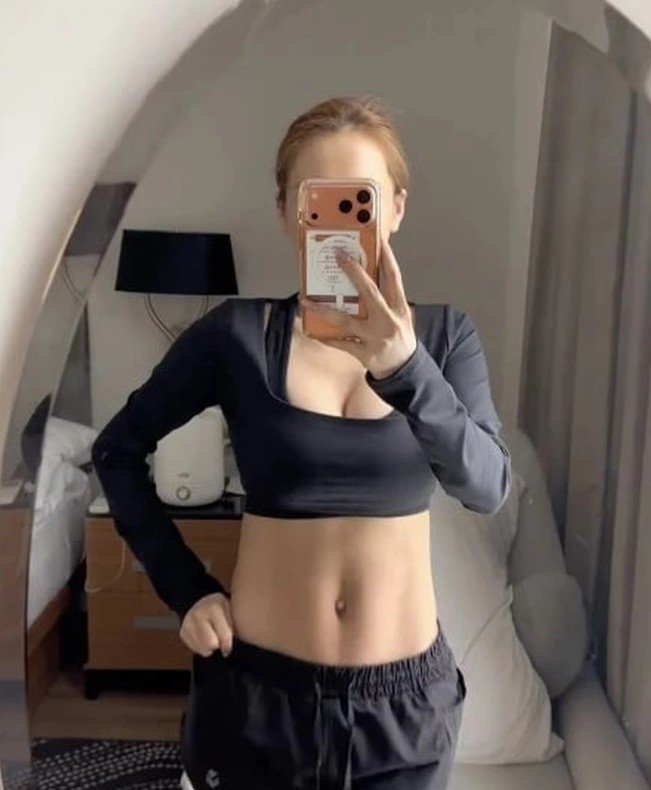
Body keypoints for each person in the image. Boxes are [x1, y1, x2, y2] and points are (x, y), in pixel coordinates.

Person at [92, 94, 512, 790]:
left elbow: (487, 487)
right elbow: (116, 451)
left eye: (360, 201)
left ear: (395, 209)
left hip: (404, 713)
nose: (338, 225)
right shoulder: (235, 336)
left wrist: (403, 367)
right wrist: (186, 590)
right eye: (318, 202)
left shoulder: (444, 340)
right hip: (258, 699)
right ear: (287, 213)